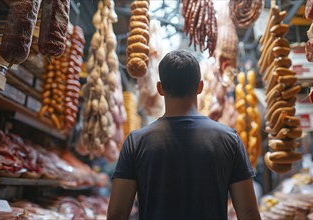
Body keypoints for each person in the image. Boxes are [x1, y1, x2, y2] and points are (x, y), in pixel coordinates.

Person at [107, 50, 261, 220]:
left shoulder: (136, 142)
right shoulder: (229, 139)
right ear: (200, 87)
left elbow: (117, 213)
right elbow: (248, 213)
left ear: (160, 89)